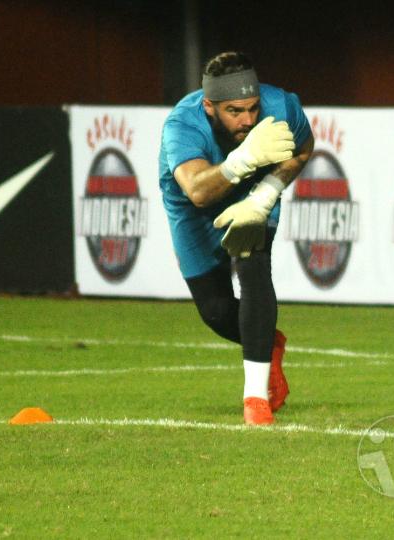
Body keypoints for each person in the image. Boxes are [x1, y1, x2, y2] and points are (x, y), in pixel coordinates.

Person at [158, 51, 313, 425]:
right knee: (215, 312)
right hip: (193, 209)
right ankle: (269, 342)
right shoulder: (182, 124)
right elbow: (197, 190)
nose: (248, 119)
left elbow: (304, 149)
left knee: (254, 265)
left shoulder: (281, 105)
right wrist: (241, 159)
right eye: (234, 112)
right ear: (209, 106)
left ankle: (255, 400)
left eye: (252, 108)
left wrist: (266, 193)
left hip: (252, 193)